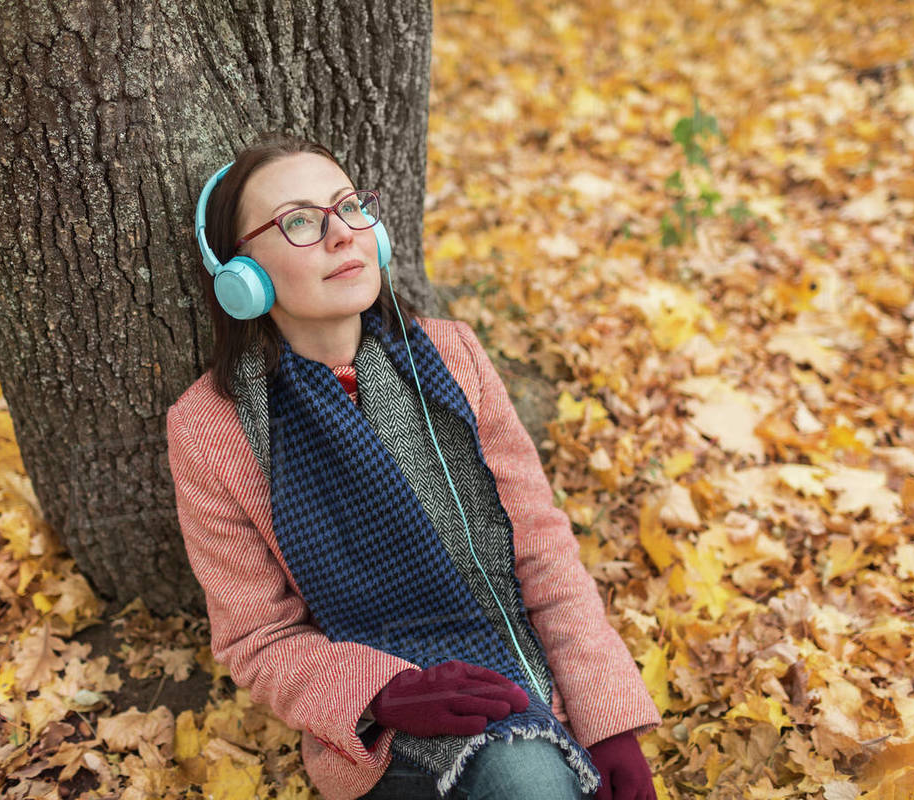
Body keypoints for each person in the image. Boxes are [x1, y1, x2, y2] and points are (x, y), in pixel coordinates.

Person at [166, 132, 662, 800]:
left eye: (349, 208)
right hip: (385, 740)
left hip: (523, 679)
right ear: (241, 277)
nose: (342, 235)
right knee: (527, 775)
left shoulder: (453, 357)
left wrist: (610, 726)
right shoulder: (211, 428)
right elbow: (258, 636)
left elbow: (540, 550)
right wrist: (388, 693)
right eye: (301, 222)